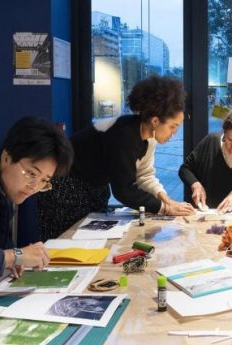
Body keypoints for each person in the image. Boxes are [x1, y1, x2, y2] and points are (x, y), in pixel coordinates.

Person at [38, 75, 194, 241]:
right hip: (67, 188)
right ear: (155, 120)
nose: (174, 133)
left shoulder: (149, 136)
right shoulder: (124, 134)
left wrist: (167, 200)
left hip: (94, 188)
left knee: (90, 244)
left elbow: (144, 175)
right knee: (65, 245)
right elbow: (123, 190)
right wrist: (164, 208)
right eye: (173, 127)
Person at [0, 116, 73, 278]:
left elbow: (2, 246)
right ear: (6, 157)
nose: (34, 187)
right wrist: (14, 256)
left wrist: (12, 261)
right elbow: (8, 254)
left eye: (44, 181)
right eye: (31, 173)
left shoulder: (5, 193)